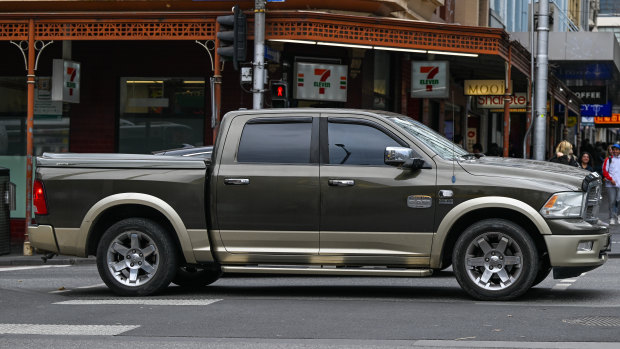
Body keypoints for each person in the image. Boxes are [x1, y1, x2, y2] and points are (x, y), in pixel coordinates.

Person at [602, 144, 620, 224]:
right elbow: (604, 171)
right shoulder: (608, 159)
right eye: (614, 150)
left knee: (619, 201)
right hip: (610, 184)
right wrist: (610, 179)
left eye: (617, 150)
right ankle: (611, 217)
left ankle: (618, 215)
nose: (615, 151)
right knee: (612, 201)